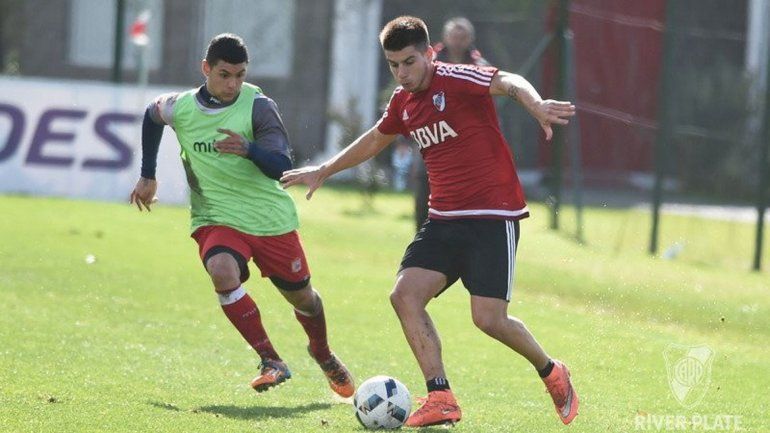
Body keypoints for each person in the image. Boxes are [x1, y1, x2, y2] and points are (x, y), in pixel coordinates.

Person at [281, 16, 578, 427]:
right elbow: (374, 139)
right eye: (393, 65)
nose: (402, 73)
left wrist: (536, 105)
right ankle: (441, 396)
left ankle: (551, 371)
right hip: (443, 219)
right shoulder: (403, 103)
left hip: (492, 215)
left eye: (409, 62)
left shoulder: (456, 78)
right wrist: (324, 170)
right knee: (404, 295)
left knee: (488, 319)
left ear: (429, 54)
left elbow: (508, 81)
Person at [129, 33, 354, 398]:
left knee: (304, 300)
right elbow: (152, 115)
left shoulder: (259, 106)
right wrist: (148, 174)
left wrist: (249, 149)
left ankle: (322, 353)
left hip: (269, 221)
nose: (233, 83)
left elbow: (281, 165)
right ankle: (270, 360)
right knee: (222, 270)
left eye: (240, 74)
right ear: (206, 69)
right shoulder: (181, 107)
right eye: (224, 74)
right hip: (215, 218)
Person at [411, 16, 489, 230]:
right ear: (445, 37)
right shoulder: (428, 63)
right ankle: (423, 236)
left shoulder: (479, 66)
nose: (457, 41)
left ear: (470, 39)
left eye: (462, 37)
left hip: (466, 144)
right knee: (425, 192)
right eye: (454, 36)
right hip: (431, 137)